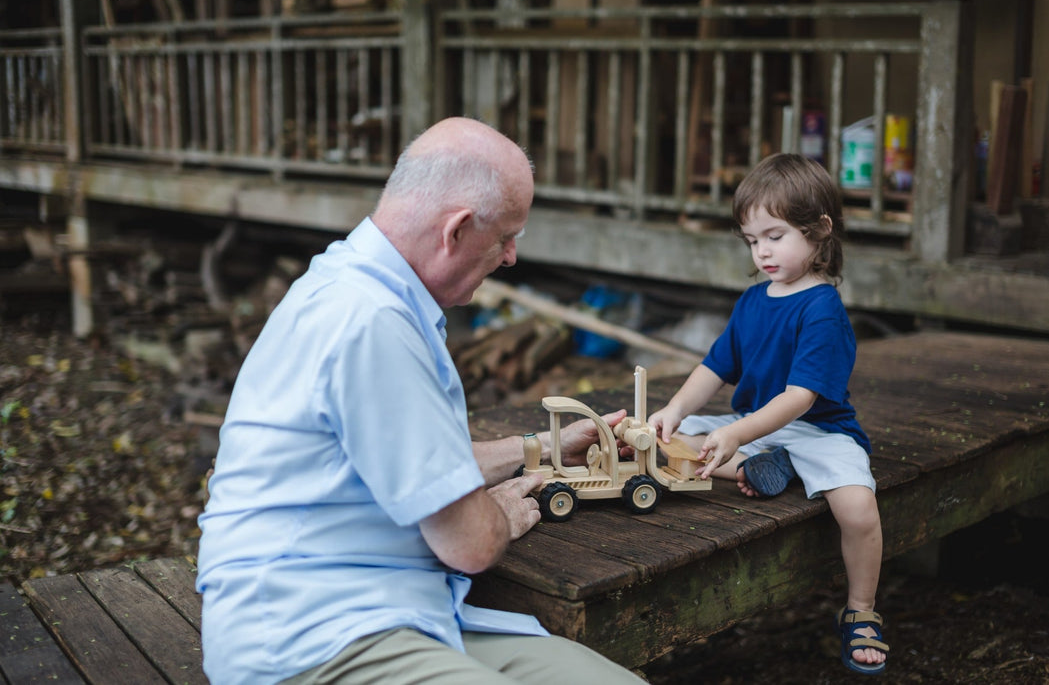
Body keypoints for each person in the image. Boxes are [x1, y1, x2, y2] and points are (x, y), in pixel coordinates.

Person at [195, 117, 645, 685]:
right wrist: (498, 516)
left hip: (398, 607)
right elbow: (472, 544)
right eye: (507, 237)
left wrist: (544, 449)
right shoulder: (371, 322)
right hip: (311, 637)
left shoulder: (356, 284)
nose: (510, 257)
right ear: (455, 230)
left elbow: (422, 462)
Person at [647, 153, 888, 676]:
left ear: (819, 230)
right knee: (664, 441)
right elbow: (714, 367)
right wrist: (673, 408)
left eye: (775, 236)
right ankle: (765, 466)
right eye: (752, 240)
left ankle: (862, 609)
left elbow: (800, 397)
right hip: (758, 429)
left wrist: (735, 432)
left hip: (818, 431)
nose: (762, 252)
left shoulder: (821, 307)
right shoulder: (753, 301)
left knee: (858, 509)